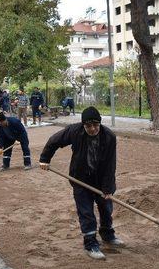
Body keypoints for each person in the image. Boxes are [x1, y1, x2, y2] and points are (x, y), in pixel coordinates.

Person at [39, 106, 123, 260]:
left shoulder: (109, 136)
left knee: (106, 207)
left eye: (95, 125)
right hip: (80, 178)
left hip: (101, 179)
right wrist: (45, 159)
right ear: (83, 125)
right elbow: (53, 141)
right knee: (86, 211)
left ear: (100, 124)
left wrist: (107, 188)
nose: (92, 129)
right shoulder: (74, 131)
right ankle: (90, 243)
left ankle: (107, 235)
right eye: (88, 126)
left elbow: (111, 165)